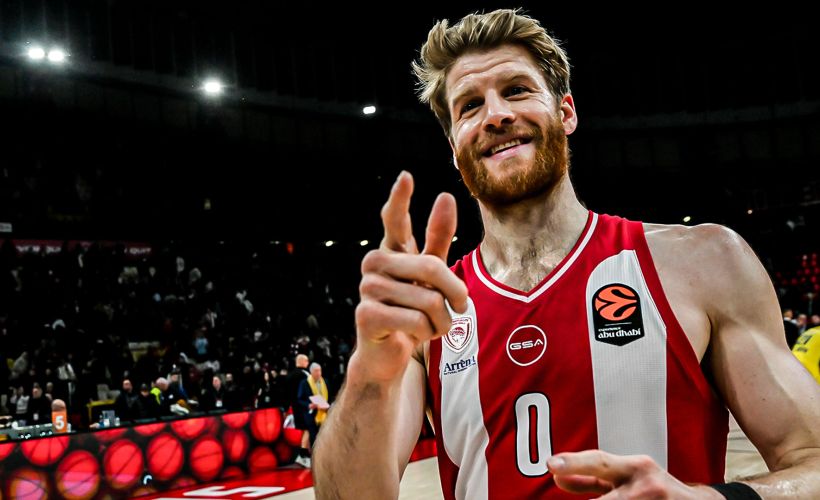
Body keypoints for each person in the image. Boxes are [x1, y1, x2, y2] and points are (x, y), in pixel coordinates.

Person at [313, 8, 820, 499]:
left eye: (516, 90)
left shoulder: (702, 263)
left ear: (566, 111)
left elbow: (811, 459)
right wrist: (368, 373)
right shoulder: (428, 315)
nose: (496, 115)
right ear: (453, 145)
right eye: (469, 106)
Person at [286, 353, 312, 467]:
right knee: (308, 430)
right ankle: (303, 456)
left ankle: (305, 455)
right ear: (301, 361)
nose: (308, 363)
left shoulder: (290, 375)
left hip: (296, 407)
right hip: (304, 407)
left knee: (305, 430)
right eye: (306, 361)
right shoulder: (303, 375)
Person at [297, 362, 329, 450]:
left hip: (325, 412)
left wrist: (329, 405)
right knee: (314, 437)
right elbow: (299, 399)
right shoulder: (304, 383)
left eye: (319, 370)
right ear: (311, 372)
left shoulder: (325, 381)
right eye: (316, 371)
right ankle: (315, 454)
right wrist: (309, 405)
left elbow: (331, 396)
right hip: (311, 414)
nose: (318, 373)